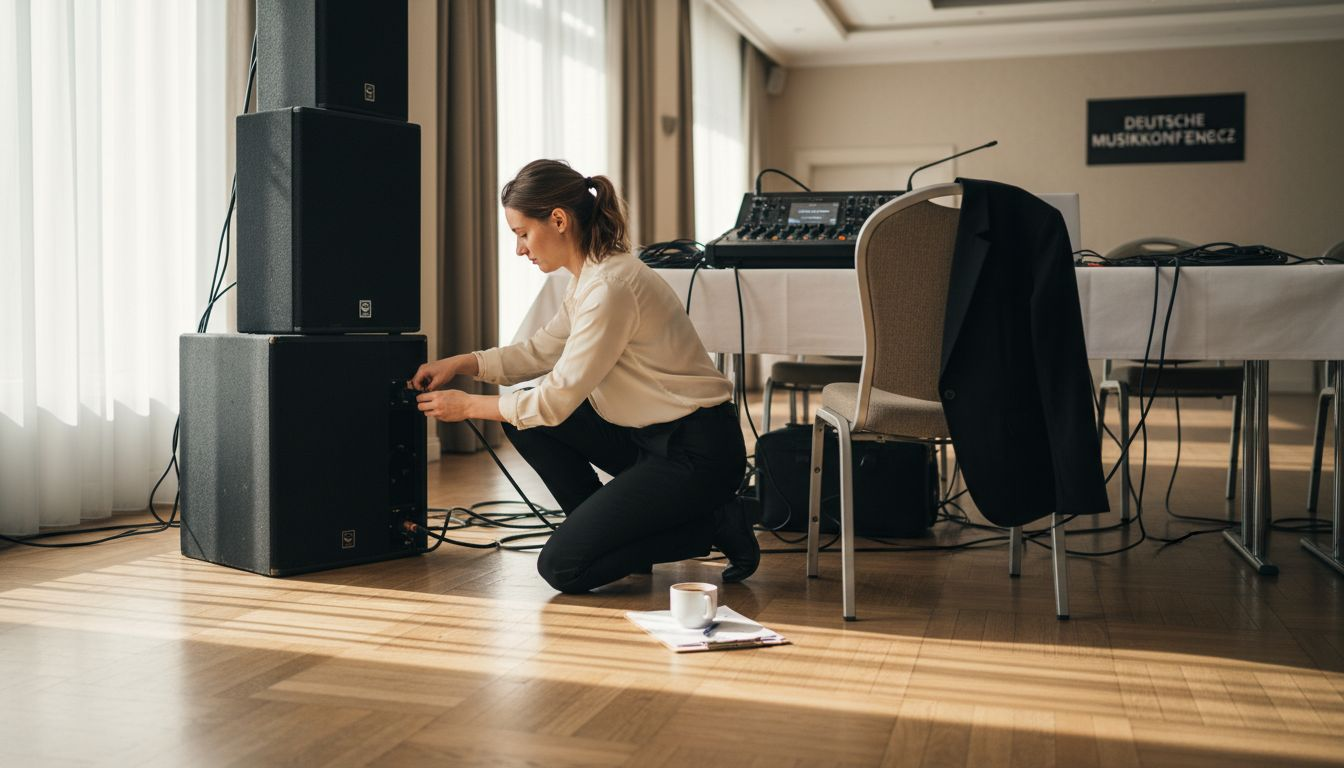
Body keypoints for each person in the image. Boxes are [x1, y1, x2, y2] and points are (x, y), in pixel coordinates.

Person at [409, 159, 757, 593]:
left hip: (695, 452)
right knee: (523, 422)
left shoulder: (610, 286)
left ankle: (716, 522)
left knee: (562, 568)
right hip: (646, 440)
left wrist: (468, 406)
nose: (519, 249)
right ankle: (617, 535)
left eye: (521, 234)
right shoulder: (590, 277)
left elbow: (556, 400)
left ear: (558, 219)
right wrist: (461, 363)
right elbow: (539, 352)